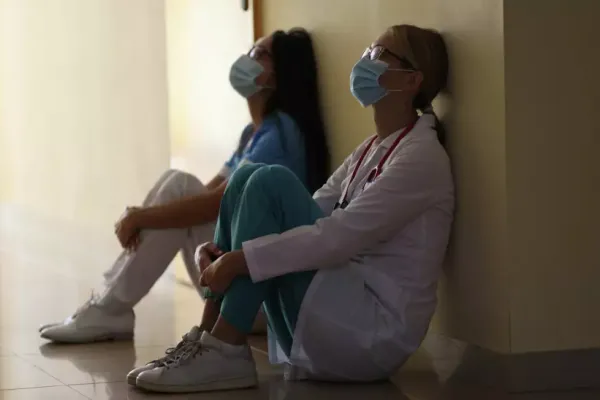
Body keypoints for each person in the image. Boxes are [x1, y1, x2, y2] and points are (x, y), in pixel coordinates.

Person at [129, 24, 455, 394]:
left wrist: (238, 260)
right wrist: (224, 251)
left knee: (271, 180)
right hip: (338, 308)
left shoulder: (421, 158)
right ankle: (209, 339)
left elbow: (338, 238)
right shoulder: (373, 148)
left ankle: (226, 349)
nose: (364, 62)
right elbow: (312, 210)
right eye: (367, 51)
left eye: (378, 55)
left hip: (370, 334)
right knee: (247, 177)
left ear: (411, 80)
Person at [39, 28, 330, 344]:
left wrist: (141, 216)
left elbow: (211, 203)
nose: (248, 59)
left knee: (179, 187)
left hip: (262, 298)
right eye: (250, 51)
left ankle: (111, 308)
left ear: (280, 74)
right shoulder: (253, 133)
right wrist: (148, 214)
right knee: (178, 186)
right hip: (238, 283)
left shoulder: (283, 134)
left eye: (260, 54)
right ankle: (111, 305)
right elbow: (207, 195)